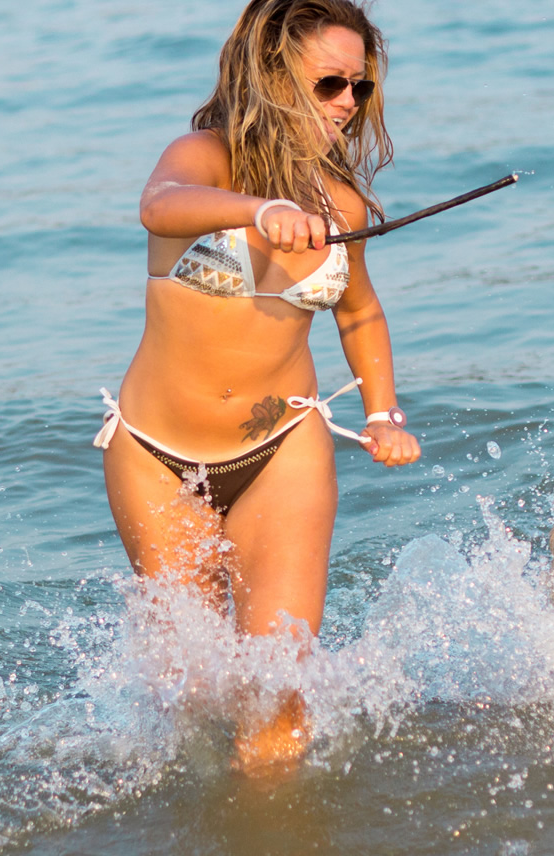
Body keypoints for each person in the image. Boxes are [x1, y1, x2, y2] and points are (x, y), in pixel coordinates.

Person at [95, 0, 421, 772]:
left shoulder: (339, 203)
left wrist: (383, 413)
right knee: (192, 697)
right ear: (271, 78)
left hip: (282, 449)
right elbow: (157, 204)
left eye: (361, 89)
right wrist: (259, 209)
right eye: (331, 83)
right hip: (154, 457)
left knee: (277, 700)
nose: (348, 103)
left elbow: (361, 314)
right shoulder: (204, 158)